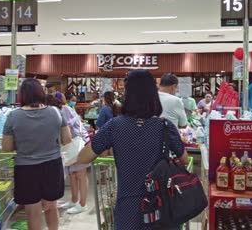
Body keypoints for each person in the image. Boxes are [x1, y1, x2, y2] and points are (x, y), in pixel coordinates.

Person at [77, 69, 188, 230]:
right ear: (153, 94)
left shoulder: (114, 126)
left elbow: (83, 158)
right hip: (160, 206)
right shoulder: (164, 126)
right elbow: (184, 158)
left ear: (127, 95)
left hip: (128, 208)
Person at [2, 78, 72, 230]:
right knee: (51, 207)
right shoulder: (55, 112)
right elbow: (67, 139)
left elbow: (6, 147)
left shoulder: (13, 116)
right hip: (52, 165)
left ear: (22, 95)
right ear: (41, 93)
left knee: (32, 211)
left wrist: (23, 142)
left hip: (25, 168)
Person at [56, 93, 90, 214]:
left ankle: (83, 204)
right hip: (70, 147)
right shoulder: (62, 110)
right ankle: (74, 200)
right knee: (73, 175)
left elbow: (68, 128)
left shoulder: (64, 110)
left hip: (77, 145)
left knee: (81, 174)